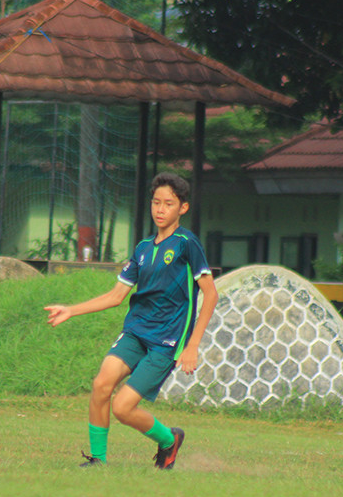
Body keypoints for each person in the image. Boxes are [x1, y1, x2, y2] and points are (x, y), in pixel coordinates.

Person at [45, 173, 218, 470]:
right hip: (136, 332)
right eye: (156, 203)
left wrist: (193, 346)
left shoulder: (186, 244)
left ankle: (168, 440)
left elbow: (210, 295)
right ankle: (97, 459)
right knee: (101, 385)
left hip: (166, 340)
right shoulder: (142, 248)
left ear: (182, 208)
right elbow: (116, 296)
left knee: (123, 408)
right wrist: (71, 310)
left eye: (168, 204)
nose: (160, 209)